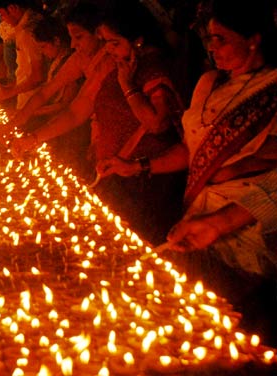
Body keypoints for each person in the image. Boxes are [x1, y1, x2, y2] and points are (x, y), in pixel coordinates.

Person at [98, 0, 277, 345]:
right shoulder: (209, 83)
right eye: (210, 38)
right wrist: (136, 166)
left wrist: (224, 213)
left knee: (244, 330)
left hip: (250, 232)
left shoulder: (271, 90)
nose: (212, 47)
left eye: (221, 38)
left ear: (253, 39)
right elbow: (191, 152)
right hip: (197, 218)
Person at [11, 1, 185, 243]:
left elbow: (157, 123)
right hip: (117, 170)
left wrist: (127, 87)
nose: (108, 49)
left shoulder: (152, 68)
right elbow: (77, 110)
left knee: (138, 242)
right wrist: (32, 137)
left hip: (146, 176)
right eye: (106, 42)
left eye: (113, 42)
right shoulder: (116, 63)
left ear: (137, 40)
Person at [0, 3, 105, 177]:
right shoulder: (80, 57)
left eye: (79, 37)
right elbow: (46, 91)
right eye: (71, 37)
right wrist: (14, 123)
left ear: (100, 34)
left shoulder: (107, 62)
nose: (73, 44)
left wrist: (33, 138)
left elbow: (75, 111)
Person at [0, 0, 45, 109]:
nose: (2, 19)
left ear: (13, 8)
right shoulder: (28, 25)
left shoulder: (27, 33)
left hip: (33, 102)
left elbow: (37, 76)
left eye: (2, 14)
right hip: (30, 99)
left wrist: (9, 92)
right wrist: (10, 87)